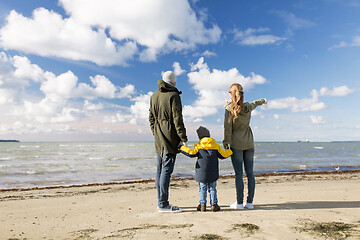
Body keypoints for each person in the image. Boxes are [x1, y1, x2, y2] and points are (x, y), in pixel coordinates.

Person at [223, 83, 267, 210]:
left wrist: (226, 143)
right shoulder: (247, 107)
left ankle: (239, 203)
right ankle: (250, 202)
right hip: (249, 143)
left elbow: (227, 128)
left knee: (238, 174)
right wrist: (263, 101)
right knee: (250, 173)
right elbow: (256, 103)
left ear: (231, 94)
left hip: (236, 144)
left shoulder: (228, 109)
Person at [149, 71, 188, 213]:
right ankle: (163, 204)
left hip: (158, 138)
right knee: (166, 170)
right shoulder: (174, 95)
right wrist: (183, 138)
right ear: (173, 82)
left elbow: (151, 119)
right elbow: (178, 119)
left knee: (159, 170)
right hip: (169, 138)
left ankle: (161, 201)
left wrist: (156, 132)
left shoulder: (153, 96)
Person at [179, 126, 232, 212]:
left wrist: (181, 147)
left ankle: (202, 205)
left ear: (200, 137)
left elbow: (190, 153)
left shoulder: (199, 146)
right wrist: (230, 151)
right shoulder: (216, 146)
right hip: (213, 172)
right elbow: (223, 155)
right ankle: (214, 204)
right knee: (212, 188)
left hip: (201, 173)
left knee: (202, 188)